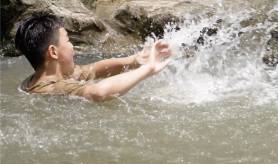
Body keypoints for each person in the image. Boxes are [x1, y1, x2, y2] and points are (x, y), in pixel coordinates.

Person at [15, 14, 173, 102]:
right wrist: (148, 69)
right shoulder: (51, 89)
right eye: (68, 40)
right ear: (53, 52)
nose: (72, 47)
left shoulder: (43, 78)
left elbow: (93, 70)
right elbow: (97, 93)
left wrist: (134, 61)